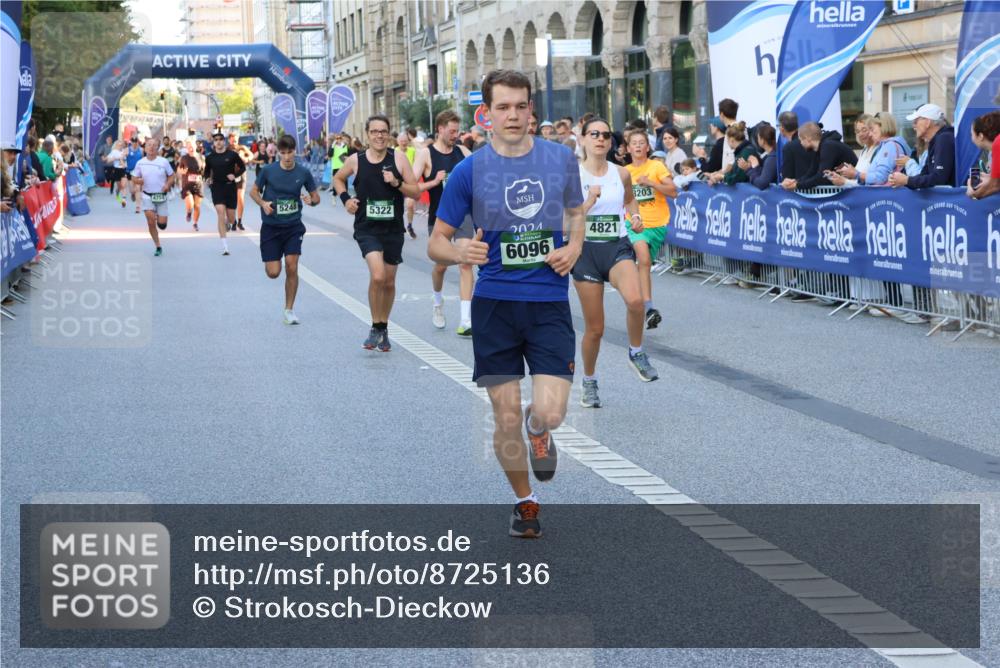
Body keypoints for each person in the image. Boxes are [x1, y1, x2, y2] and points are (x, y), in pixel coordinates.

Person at [428, 69, 585, 539]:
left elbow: (576, 213)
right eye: (503, 107)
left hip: (548, 302)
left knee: (550, 412)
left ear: (531, 109)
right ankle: (525, 502)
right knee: (506, 414)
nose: (513, 115)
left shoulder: (560, 159)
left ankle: (542, 431)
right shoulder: (468, 170)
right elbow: (436, 241)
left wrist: (575, 247)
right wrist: (459, 252)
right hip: (494, 305)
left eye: (521, 106)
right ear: (488, 113)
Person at [574, 117, 658, 410]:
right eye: (593, 134)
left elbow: (630, 200)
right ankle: (589, 380)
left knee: (636, 301)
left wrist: (634, 216)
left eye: (605, 135)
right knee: (595, 329)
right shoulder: (573, 176)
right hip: (584, 251)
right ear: (582, 139)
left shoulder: (620, 173)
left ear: (610, 142)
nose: (599, 138)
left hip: (617, 245)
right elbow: (562, 221)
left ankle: (636, 351)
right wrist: (586, 204)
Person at [332, 114, 421, 352]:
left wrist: (396, 184)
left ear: (389, 134)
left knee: (389, 281)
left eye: (383, 131)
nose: (379, 135)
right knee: (378, 275)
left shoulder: (399, 158)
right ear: (368, 134)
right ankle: (375, 325)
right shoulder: (356, 160)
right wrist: (346, 200)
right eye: (374, 131)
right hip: (367, 228)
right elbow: (338, 179)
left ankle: (383, 327)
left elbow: (415, 192)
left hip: (393, 229)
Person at [412, 110, 475, 335]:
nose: (455, 135)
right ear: (440, 129)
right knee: (441, 265)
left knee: (466, 261)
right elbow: (412, 187)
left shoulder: (463, 151)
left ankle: (466, 320)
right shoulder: (425, 154)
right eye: (451, 131)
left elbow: (481, 176)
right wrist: (434, 182)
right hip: (440, 218)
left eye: (457, 131)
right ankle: (437, 302)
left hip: (464, 215)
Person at [250, 134, 320, 325]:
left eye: (290, 152)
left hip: (293, 226)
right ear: (278, 153)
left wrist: (310, 201)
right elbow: (253, 192)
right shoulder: (268, 171)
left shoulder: (303, 173)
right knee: (273, 272)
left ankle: (289, 310)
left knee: (292, 265)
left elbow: (316, 197)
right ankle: (274, 262)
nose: (287, 157)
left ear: (294, 151)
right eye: (283, 153)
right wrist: (263, 203)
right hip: (271, 227)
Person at [625, 128, 677, 330]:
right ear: (628, 148)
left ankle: (638, 303)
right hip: (635, 223)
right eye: (634, 143)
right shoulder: (624, 172)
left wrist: (651, 183)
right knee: (644, 259)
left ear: (647, 147)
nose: (638, 146)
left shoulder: (656, 166)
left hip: (658, 225)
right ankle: (649, 309)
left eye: (641, 142)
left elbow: (673, 191)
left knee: (643, 266)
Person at [888, 103, 954, 189]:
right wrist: (900, 179)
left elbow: (939, 179)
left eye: (916, 121)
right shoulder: (936, 140)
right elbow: (924, 174)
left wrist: (906, 180)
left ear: (927, 122)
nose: (913, 126)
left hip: (950, 201)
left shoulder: (943, 138)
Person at [202, 131, 246, 255]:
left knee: (231, 219)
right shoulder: (210, 157)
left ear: (224, 141)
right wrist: (207, 179)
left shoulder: (232, 155)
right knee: (220, 213)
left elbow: (243, 167)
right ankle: (225, 246)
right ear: (213, 143)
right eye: (216, 140)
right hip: (217, 187)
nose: (219, 141)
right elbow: (206, 171)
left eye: (221, 139)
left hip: (230, 188)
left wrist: (235, 175)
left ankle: (229, 222)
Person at [130, 138, 175, 257]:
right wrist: (138, 181)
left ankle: (159, 218)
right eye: (149, 145)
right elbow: (133, 177)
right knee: (150, 222)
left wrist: (167, 185)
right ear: (145, 148)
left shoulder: (163, 162)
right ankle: (158, 246)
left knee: (162, 225)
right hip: (147, 195)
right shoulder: (140, 162)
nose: (151, 147)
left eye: (154, 145)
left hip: (161, 196)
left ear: (157, 148)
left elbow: (171, 176)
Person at [780, 122, 856, 191]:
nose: (800, 143)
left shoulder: (828, 146)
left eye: (801, 140)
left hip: (856, 186)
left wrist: (797, 185)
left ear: (808, 138)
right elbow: (811, 172)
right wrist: (795, 181)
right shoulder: (820, 148)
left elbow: (821, 176)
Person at [830, 114, 877, 187]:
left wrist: (844, 182)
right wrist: (844, 177)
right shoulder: (865, 149)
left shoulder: (878, 149)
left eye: (864, 130)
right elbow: (859, 179)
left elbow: (872, 181)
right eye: (858, 131)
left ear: (873, 129)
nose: (860, 134)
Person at [967, 110, 1000, 200]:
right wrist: (989, 177)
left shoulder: (998, 143)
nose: (972, 139)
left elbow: (994, 186)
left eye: (971, 134)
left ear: (980, 136)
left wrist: (972, 193)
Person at [396, 131, 419, 239]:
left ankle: (409, 225)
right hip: (396, 183)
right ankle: (399, 226)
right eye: (401, 141)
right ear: (398, 142)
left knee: (410, 205)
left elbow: (417, 165)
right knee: (398, 206)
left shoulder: (412, 151)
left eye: (405, 141)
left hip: (409, 183)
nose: (403, 143)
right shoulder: (393, 151)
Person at [229, 133, 254, 230]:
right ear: (229, 140)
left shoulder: (242, 148)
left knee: (240, 198)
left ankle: (239, 221)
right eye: (232, 139)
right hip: (230, 176)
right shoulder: (227, 149)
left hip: (241, 175)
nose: (234, 141)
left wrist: (246, 158)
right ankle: (233, 221)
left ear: (237, 139)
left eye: (235, 139)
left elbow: (251, 155)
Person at [177, 142, 204, 231]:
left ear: (195, 147)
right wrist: (183, 172)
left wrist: (203, 175)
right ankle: (189, 212)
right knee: (190, 204)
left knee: (197, 206)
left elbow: (204, 170)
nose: (190, 148)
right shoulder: (184, 158)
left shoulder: (201, 157)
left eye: (192, 147)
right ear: (186, 148)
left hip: (198, 184)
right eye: (188, 147)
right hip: (187, 185)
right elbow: (179, 170)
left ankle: (195, 223)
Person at [744, 124, 778, 190]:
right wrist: (754, 168)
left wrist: (750, 169)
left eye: (758, 138)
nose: (757, 140)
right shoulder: (773, 155)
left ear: (762, 141)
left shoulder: (772, 158)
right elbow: (767, 175)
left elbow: (762, 184)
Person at [104, 139, 128, 207]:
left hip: (124, 169)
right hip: (117, 170)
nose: (121, 145)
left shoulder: (125, 151)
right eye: (119, 144)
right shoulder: (114, 152)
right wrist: (114, 159)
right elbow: (107, 160)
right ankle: (117, 192)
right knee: (120, 186)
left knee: (123, 185)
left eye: (122, 144)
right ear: (117, 145)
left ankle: (123, 200)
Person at [125, 136, 144, 213]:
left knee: (138, 189)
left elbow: (143, 160)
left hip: (138, 172)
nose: (134, 143)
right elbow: (122, 157)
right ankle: (132, 194)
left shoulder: (141, 150)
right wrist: (122, 161)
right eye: (133, 141)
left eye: (135, 141)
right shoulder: (127, 150)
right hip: (129, 171)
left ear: (137, 142)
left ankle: (138, 207)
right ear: (131, 142)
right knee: (132, 190)